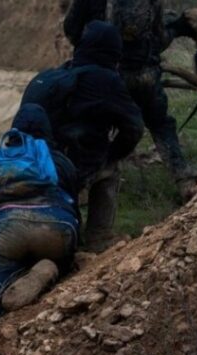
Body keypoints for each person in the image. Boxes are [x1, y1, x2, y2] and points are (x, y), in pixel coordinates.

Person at [62, 0, 197, 197]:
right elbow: (159, 40)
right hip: (145, 76)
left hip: (105, 76)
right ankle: (185, 180)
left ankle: (84, 187)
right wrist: (176, 29)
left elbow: (71, 28)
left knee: (95, 129)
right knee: (160, 124)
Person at [22, 21, 144, 251]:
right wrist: (109, 155)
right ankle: (98, 237)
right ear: (113, 54)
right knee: (111, 171)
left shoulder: (49, 76)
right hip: (69, 168)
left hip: (27, 165)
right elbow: (134, 128)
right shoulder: (105, 81)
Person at [0, 104, 81, 330]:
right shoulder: (61, 161)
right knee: (64, 262)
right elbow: (74, 206)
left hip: (8, 228)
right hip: (57, 227)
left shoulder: (1, 160)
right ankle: (51, 270)